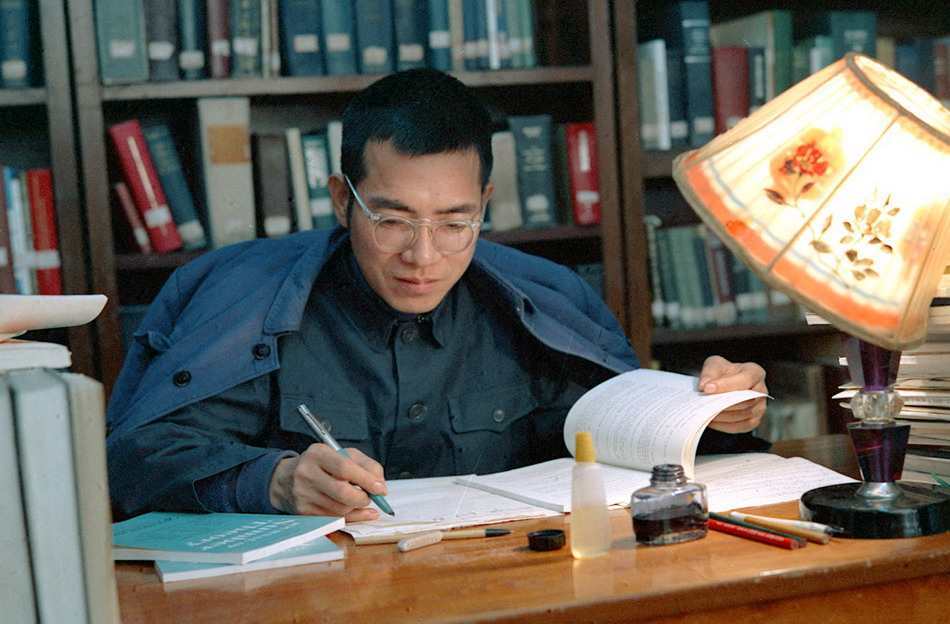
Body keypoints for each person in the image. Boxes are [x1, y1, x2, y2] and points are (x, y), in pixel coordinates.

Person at [106, 69, 767, 521]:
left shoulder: (548, 300)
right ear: (342, 200)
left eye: (455, 223)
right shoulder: (248, 300)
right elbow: (133, 460)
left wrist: (710, 410)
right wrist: (273, 482)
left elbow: (628, 444)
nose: (423, 256)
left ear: (485, 202)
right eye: (392, 219)